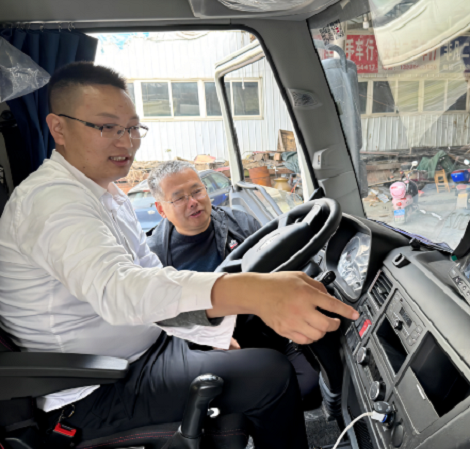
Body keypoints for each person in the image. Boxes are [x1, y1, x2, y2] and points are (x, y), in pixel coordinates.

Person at [0, 62, 358, 448]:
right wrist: (256, 290)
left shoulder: (104, 193)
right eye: (107, 127)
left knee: (250, 354)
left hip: (140, 353)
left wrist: (205, 332)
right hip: (92, 387)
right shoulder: (51, 201)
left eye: (133, 128)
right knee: (270, 372)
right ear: (58, 128)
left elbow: (150, 274)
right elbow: (122, 291)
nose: (127, 142)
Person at [146, 160, 321, 409]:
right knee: (261, 393)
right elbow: (156, 318)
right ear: (161, 209)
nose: (193, 201)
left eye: (197, 191)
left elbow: (275, 271)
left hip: (263, 329)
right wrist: (209, 337)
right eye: (179, 198)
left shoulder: (240, 224)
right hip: (204, 349)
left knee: (310, 387)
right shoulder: (154, 256)